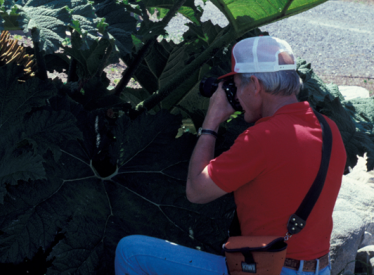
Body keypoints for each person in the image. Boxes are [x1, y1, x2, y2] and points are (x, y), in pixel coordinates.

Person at [114, 36, 346, 275]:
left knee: (130, 252)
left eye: (237, 85)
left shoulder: (262, 136)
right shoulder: (329, 128)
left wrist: (211, 121)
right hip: (318, 269)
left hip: (269, 269)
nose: (234, 95)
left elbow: (197, 191)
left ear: (254, 85)